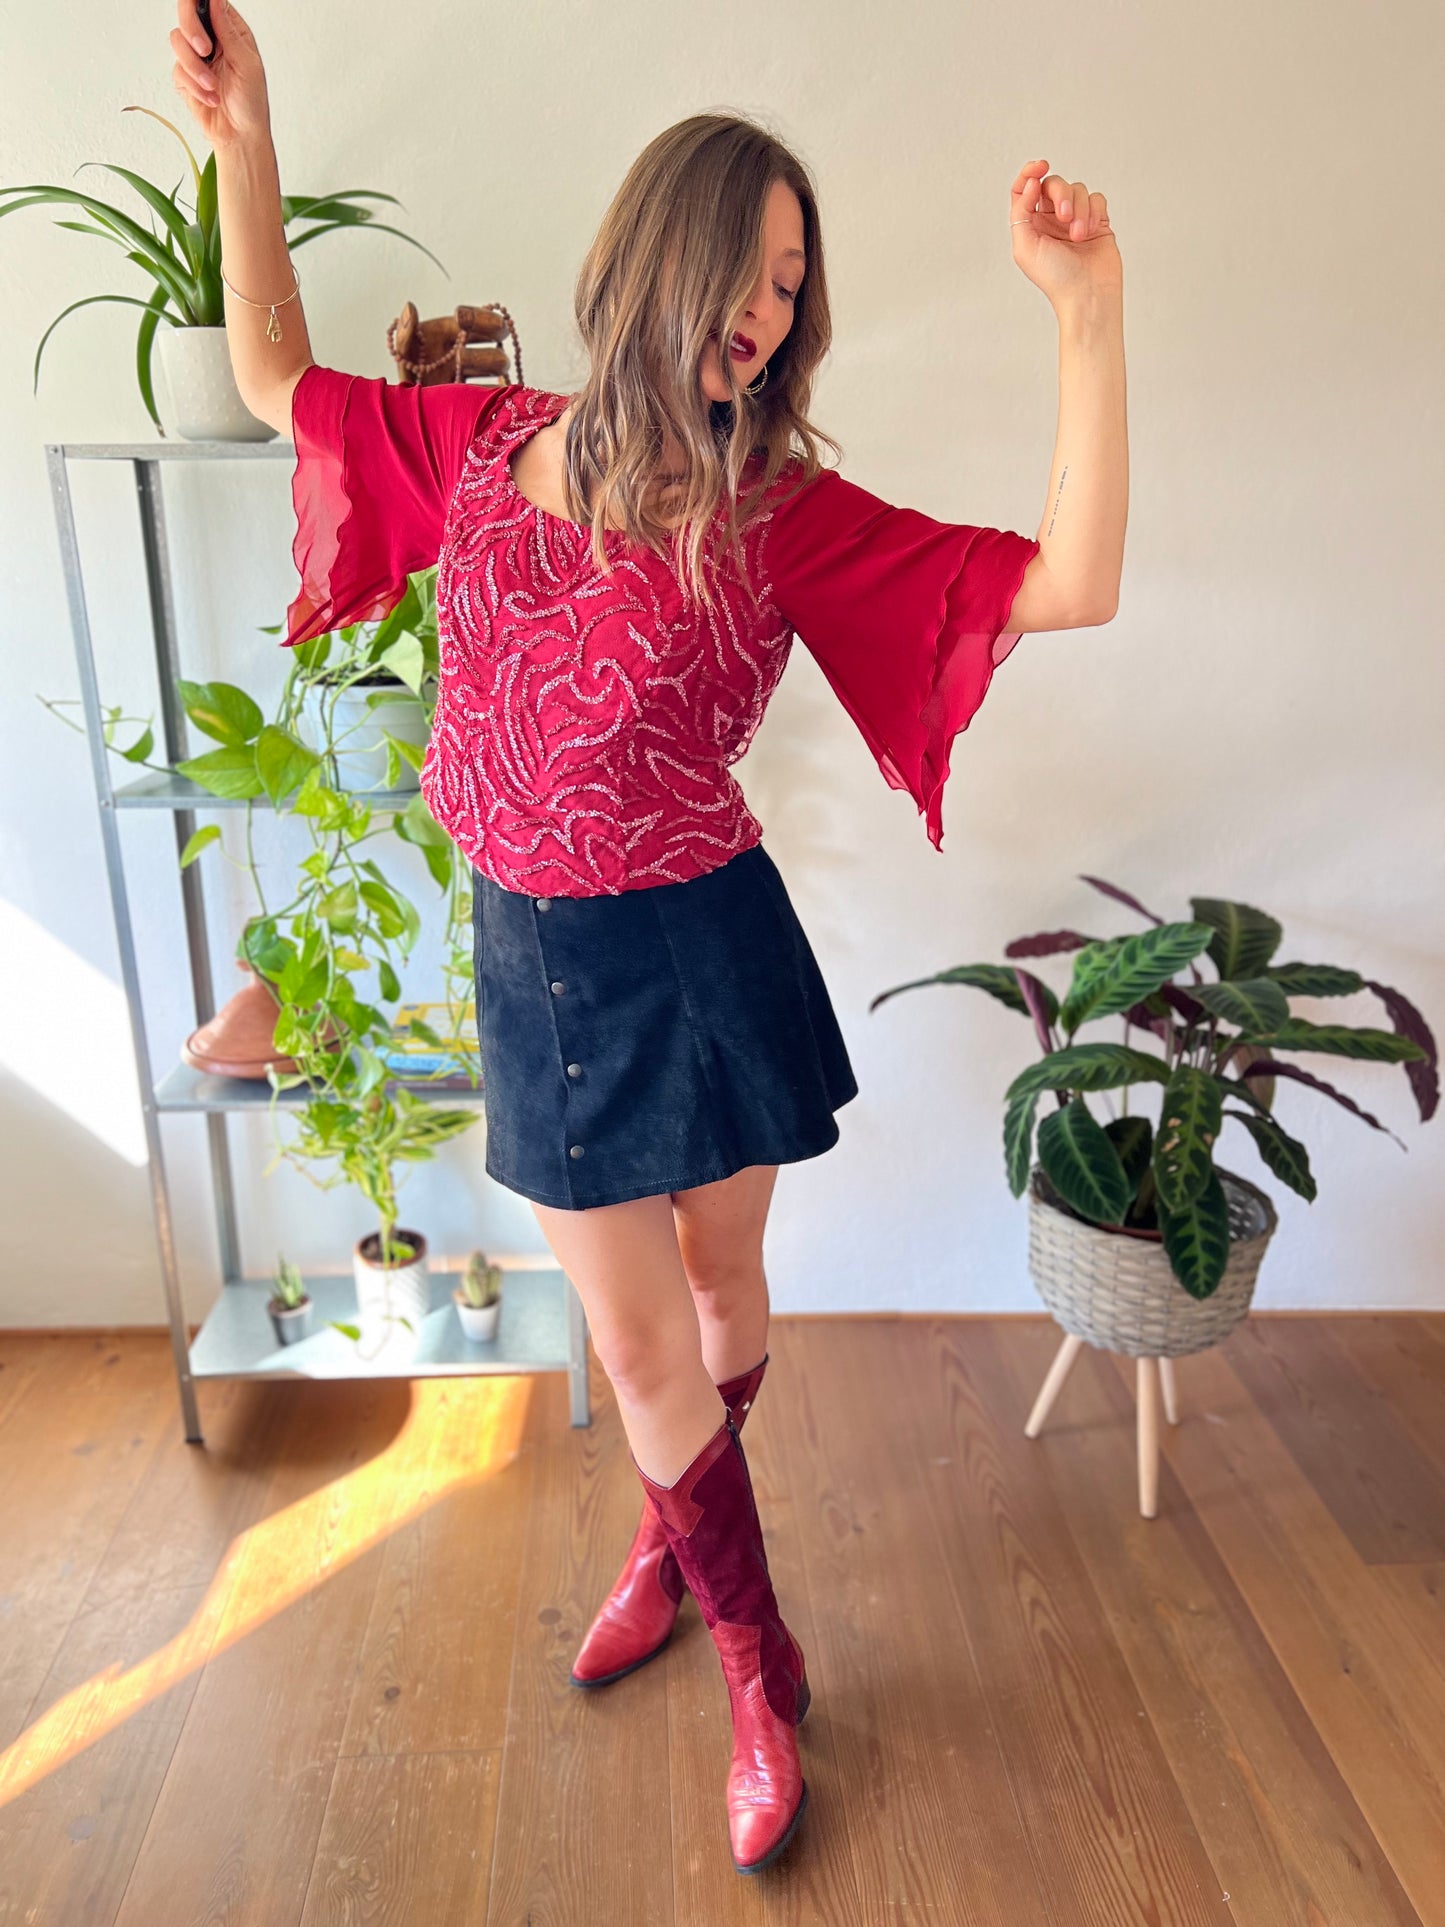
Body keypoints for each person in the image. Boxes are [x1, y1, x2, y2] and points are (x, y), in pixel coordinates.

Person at [173, 0, 1125, 1879]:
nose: (764, 311)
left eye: (790, 282)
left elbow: (1068, 582)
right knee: (632, 1349)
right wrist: (244, 135)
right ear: (644, 259)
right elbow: (274, 371)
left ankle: (666, 1541)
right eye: (740, 267)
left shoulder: (780, 512)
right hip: (538, 968)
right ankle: (762, 1673)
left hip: (707, 948)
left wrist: (1084, 316)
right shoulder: (475, 442)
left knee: (711, 1307)